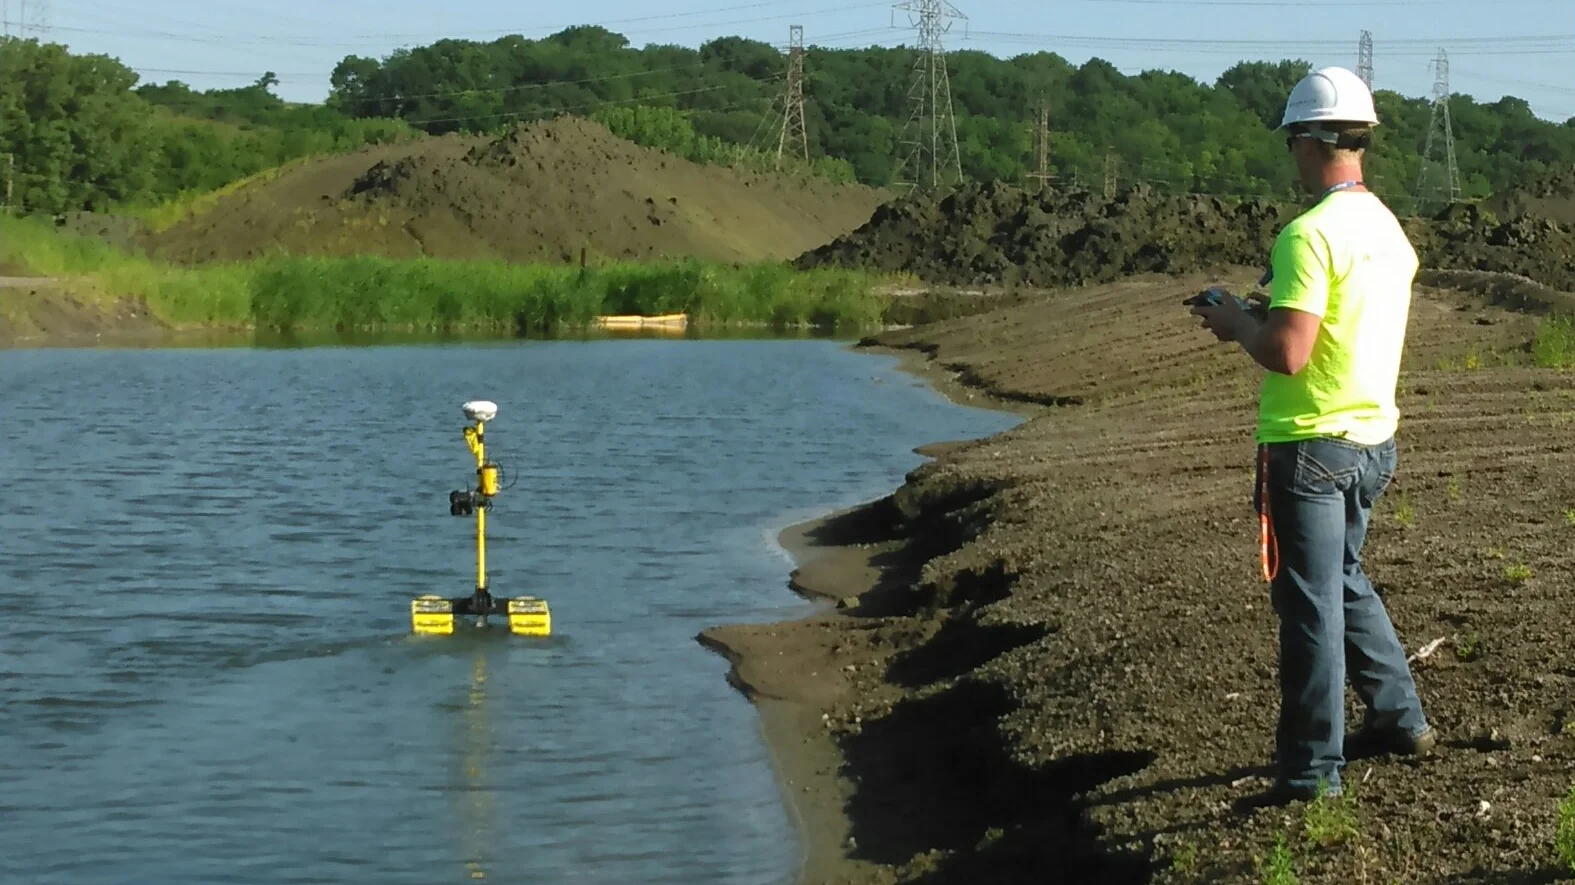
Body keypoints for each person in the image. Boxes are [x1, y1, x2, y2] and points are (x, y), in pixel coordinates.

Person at [1190, 65, 1434, 806]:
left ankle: (1309, 774)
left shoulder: (1306, 235)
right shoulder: (1386, 229)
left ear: (1305, 140)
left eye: (1290, 142)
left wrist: (1236, 321)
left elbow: (1286, 352)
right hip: (1370, 441)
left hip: (1307, 445)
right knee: (1343, 582)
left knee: (1309, 608)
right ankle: (1399, 719)